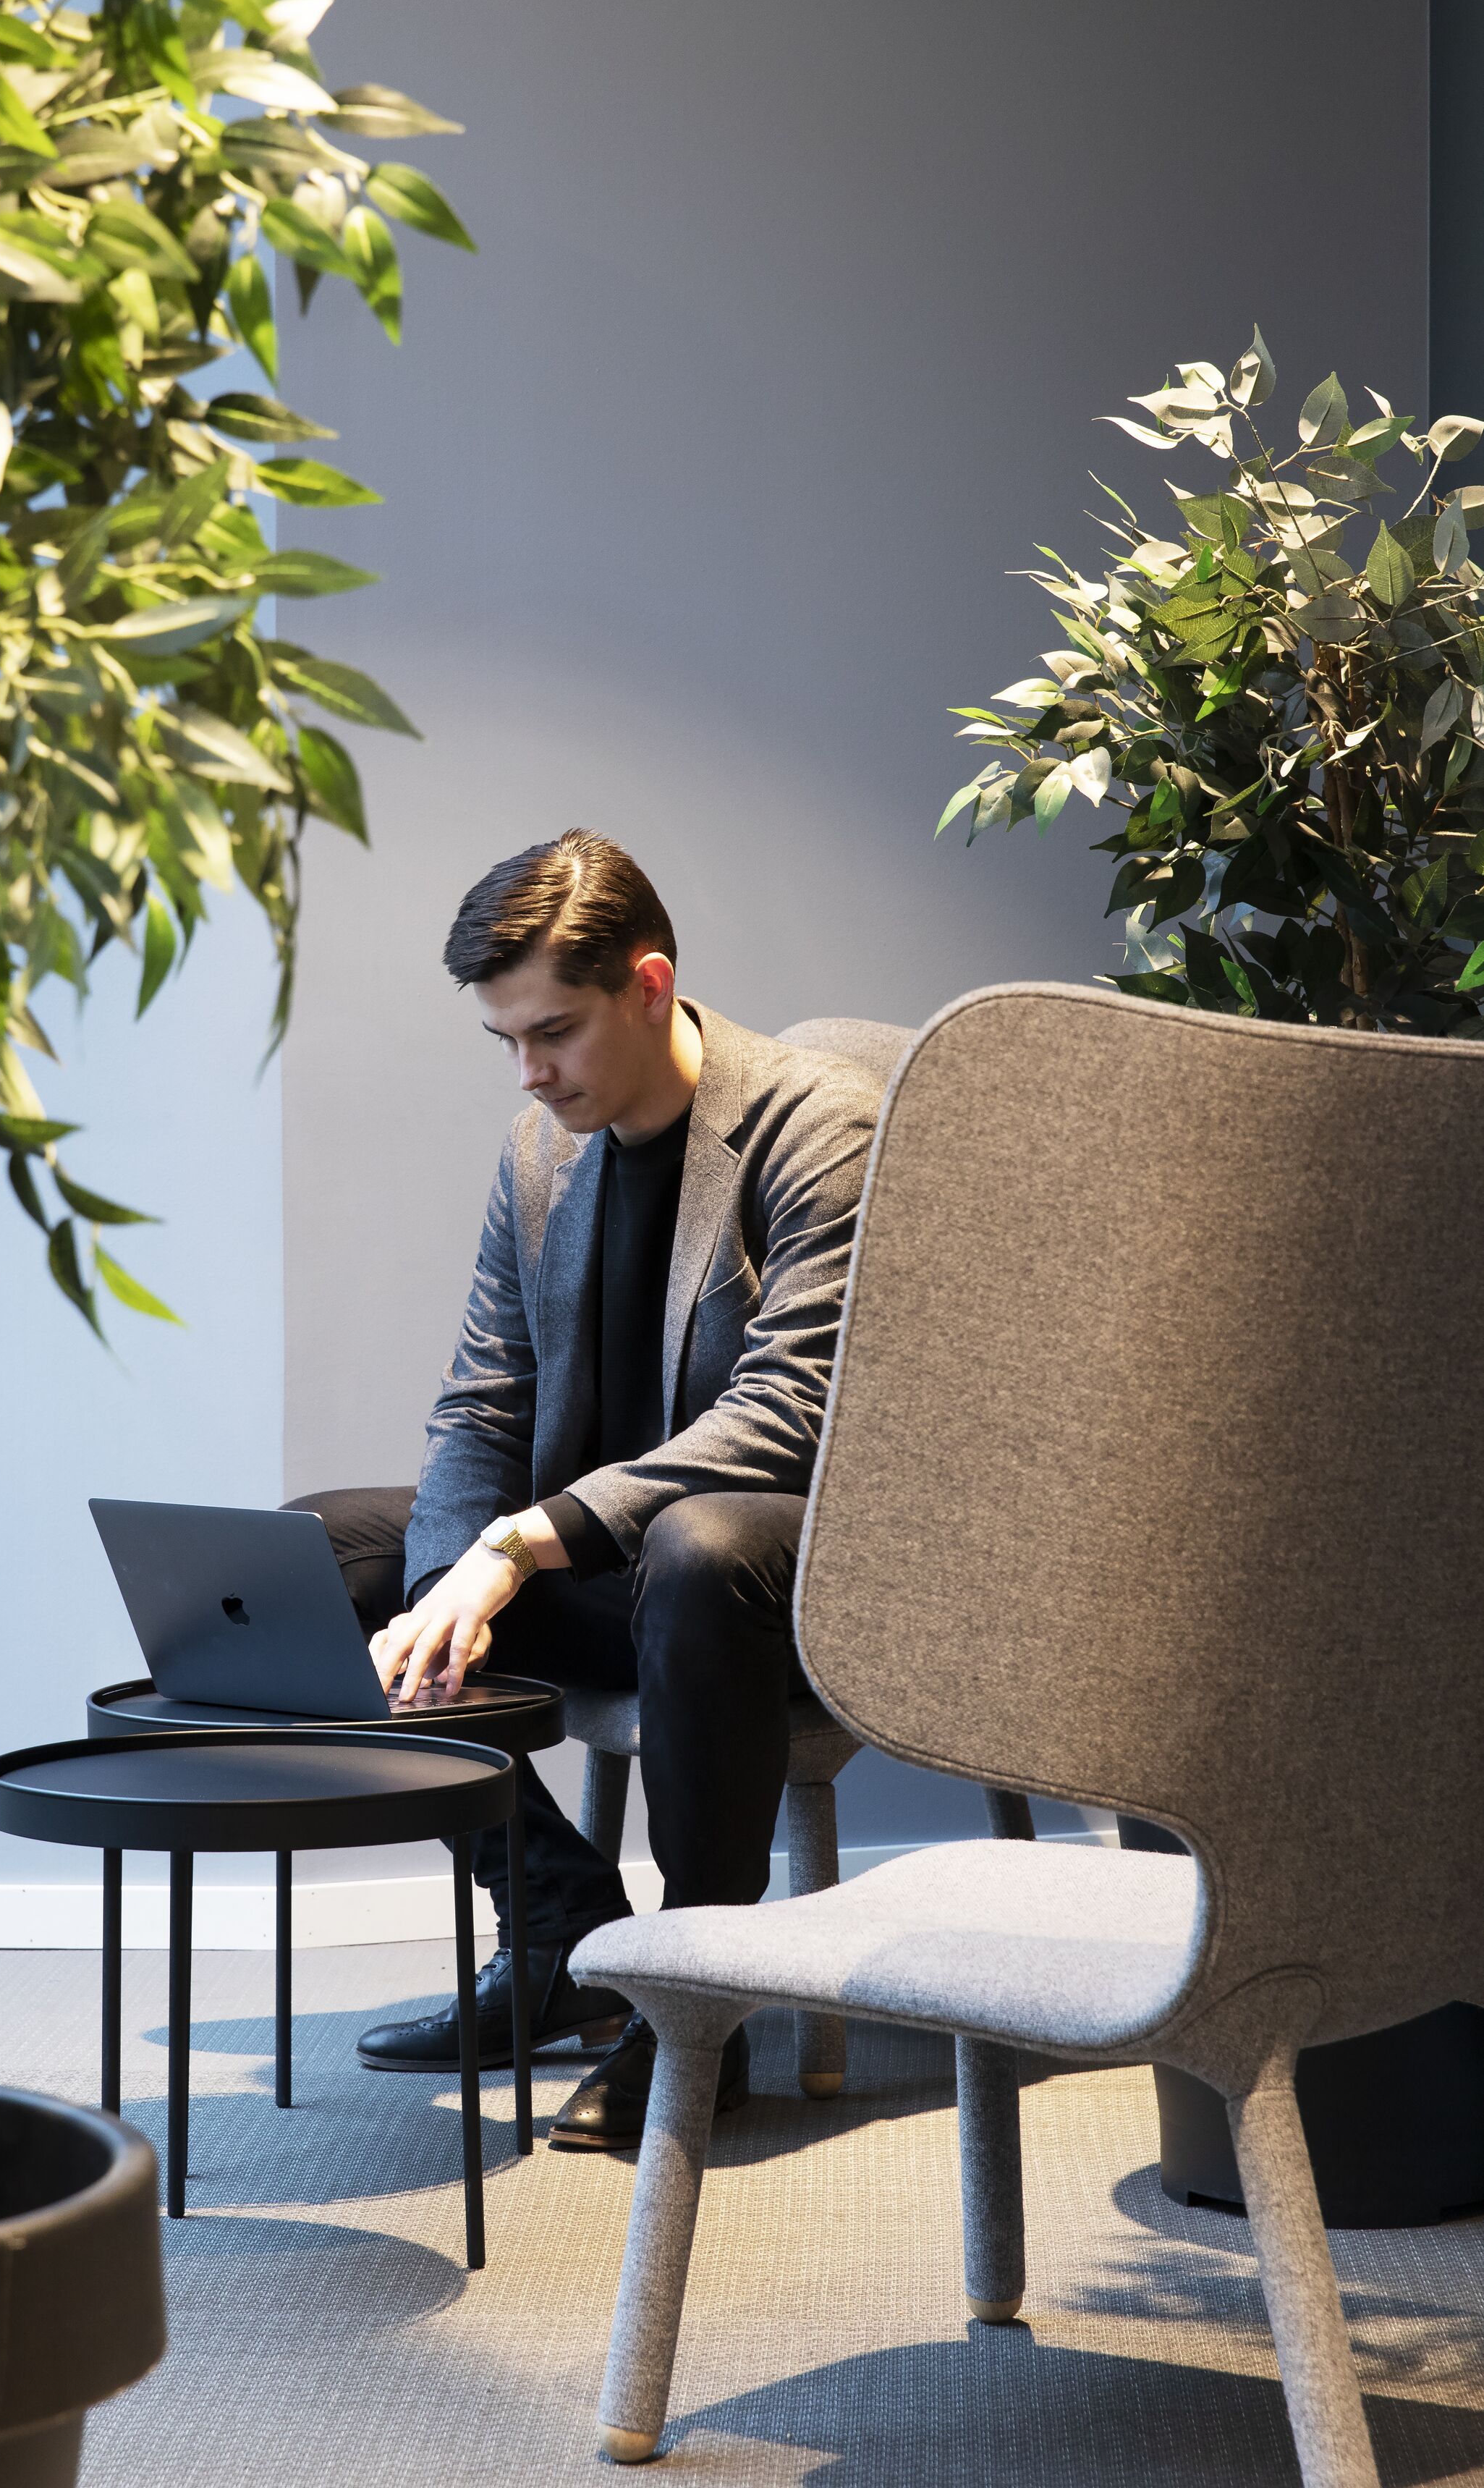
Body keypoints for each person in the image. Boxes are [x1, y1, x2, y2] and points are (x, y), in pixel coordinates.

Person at [289, 830, 878, 2149]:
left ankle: (695, 2002)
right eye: (504, 1039)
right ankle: (559, 1918)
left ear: (651, 985)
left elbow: (793, 1413)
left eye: (552, 1030)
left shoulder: (816, 1120)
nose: (528, 1069)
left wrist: (522, 1545)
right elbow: (483, 1400)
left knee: (696, 1542)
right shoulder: (538, 1153)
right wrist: (453, 1585)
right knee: (319, 1553)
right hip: (595, 1563)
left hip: (775, 1571)